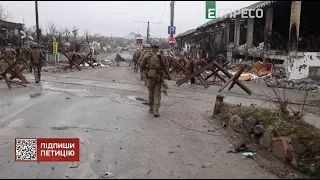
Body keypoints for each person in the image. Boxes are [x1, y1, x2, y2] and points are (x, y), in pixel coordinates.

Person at [140, 39, 168, 117]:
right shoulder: (163, 55)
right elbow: (167, 66)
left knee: (151, 93)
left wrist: (144, 77)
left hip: (150, 77)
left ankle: (151, 109)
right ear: (159, 47)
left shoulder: (147, 55)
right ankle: (156, 110)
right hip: (159, 77)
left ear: (151, 46)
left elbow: (141, 66)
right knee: (157, 94)